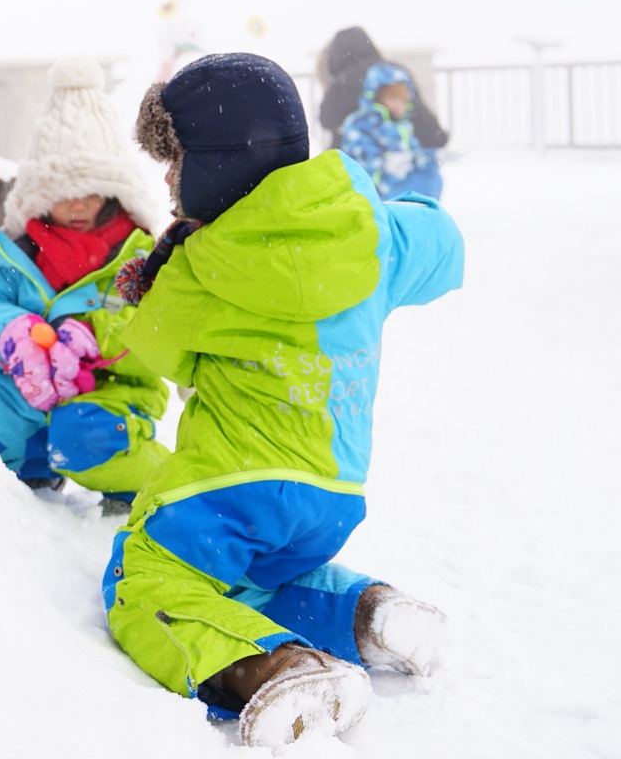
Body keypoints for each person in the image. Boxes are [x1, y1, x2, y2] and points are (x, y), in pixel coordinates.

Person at [103, 53, 463, 748]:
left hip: (229, 490)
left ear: (215, 166)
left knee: (144, 580)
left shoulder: (202, 267)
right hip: (333, 493)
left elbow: (153, 349)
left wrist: (146, 277)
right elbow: (445, 247)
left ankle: (276, 668)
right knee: (261, 576)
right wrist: (399, 218)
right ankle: (371, 616)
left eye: (176, 163)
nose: (171, 183)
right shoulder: (372, 232)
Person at [0, 60, 171, 512]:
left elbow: (162, 329)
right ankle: (18, 466)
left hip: (111, 392)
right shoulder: (17, 252)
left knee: (84, 433)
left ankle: (150, 484)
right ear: (42, 194)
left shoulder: (138, 256)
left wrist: (95, 338)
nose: (79, 204)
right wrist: (12, 334)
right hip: (24, 385)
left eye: (92, 189)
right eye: (64, 191)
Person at [316, 26, 448, 150]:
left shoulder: (344, 81)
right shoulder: (395, 72)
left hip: (356, 164)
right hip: (398, 159)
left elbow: (326, 119)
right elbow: (420, 116)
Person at [339, 62, 444, 200]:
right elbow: (359, 159)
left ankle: (424, 212)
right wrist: (386, 163)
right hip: (375, 194)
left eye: (402, 100)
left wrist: (428, 157)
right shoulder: (360, 123)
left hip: (401, 188)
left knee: (431, 175)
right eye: (391, 98)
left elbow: (413, 151)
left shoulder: (403, 125)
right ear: (376, 97)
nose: (398, 105)